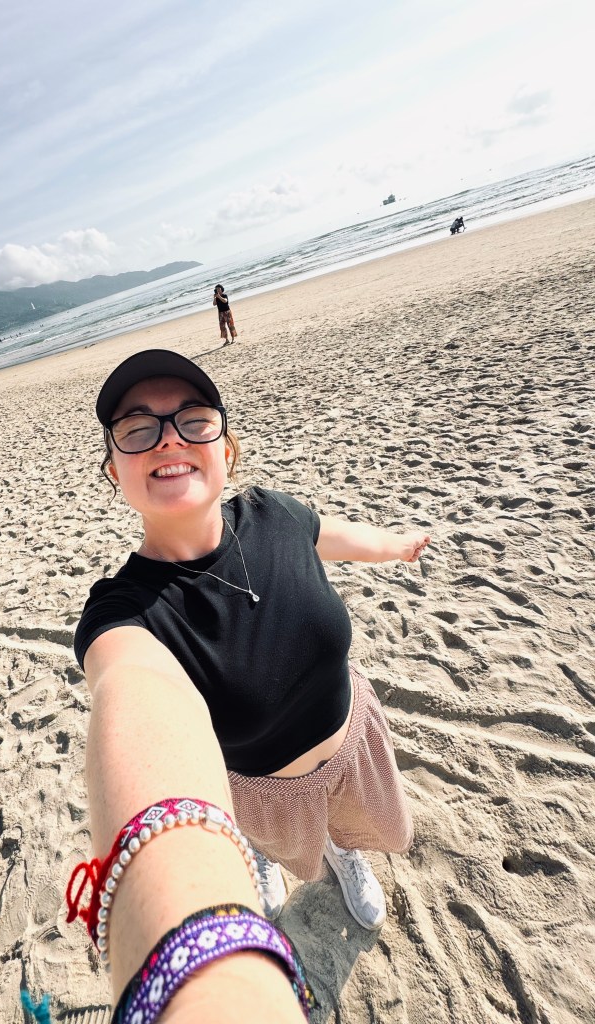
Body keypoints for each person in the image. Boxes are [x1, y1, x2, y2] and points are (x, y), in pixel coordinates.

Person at [75, 349, 430, 970]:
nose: (168, 440)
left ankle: (345, 853)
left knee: (349, 826)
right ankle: (260, 851)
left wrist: (395, 546)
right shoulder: (124, 614)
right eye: (137, 429)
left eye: (194, 419)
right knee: (266, 833)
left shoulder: (273, 513)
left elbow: (333, 536)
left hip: (351, 745)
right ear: (113, 471)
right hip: (261, 788)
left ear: (226, 448)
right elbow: (126, 697)